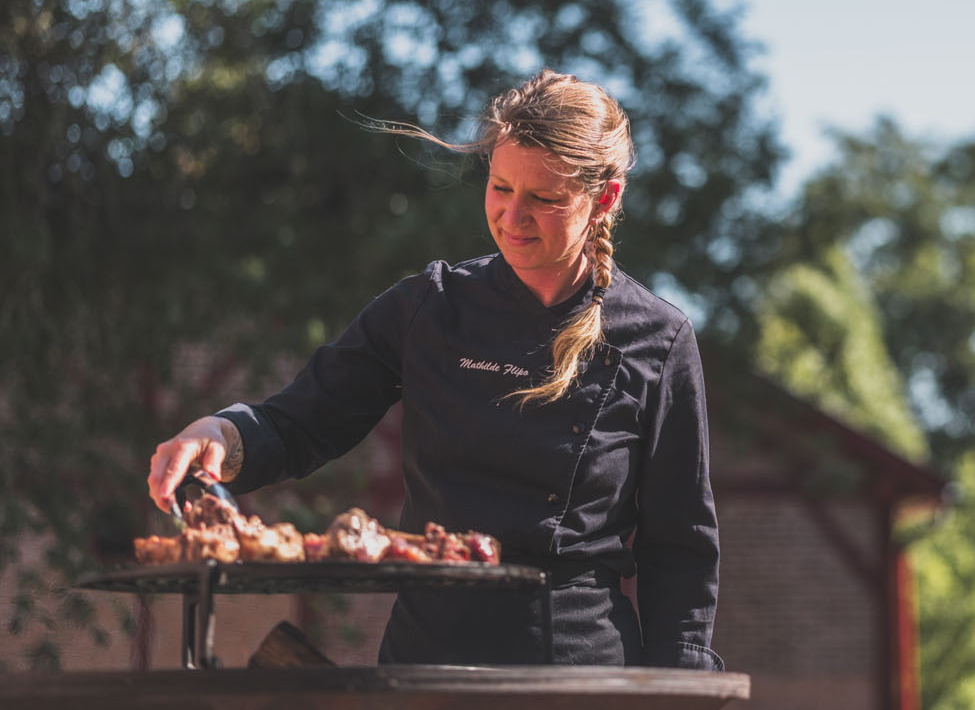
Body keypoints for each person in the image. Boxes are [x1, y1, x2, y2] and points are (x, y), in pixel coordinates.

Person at [145, 69, 723, 670]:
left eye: (543, 199)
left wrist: (679, 685)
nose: (511, 216)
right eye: (500, 188)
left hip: (577, 671)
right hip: (425, 664)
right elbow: (302, 421)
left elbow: (679, 548)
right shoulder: (431, 304)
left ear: (605, 197)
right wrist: (221, 435)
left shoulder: (657, 339)